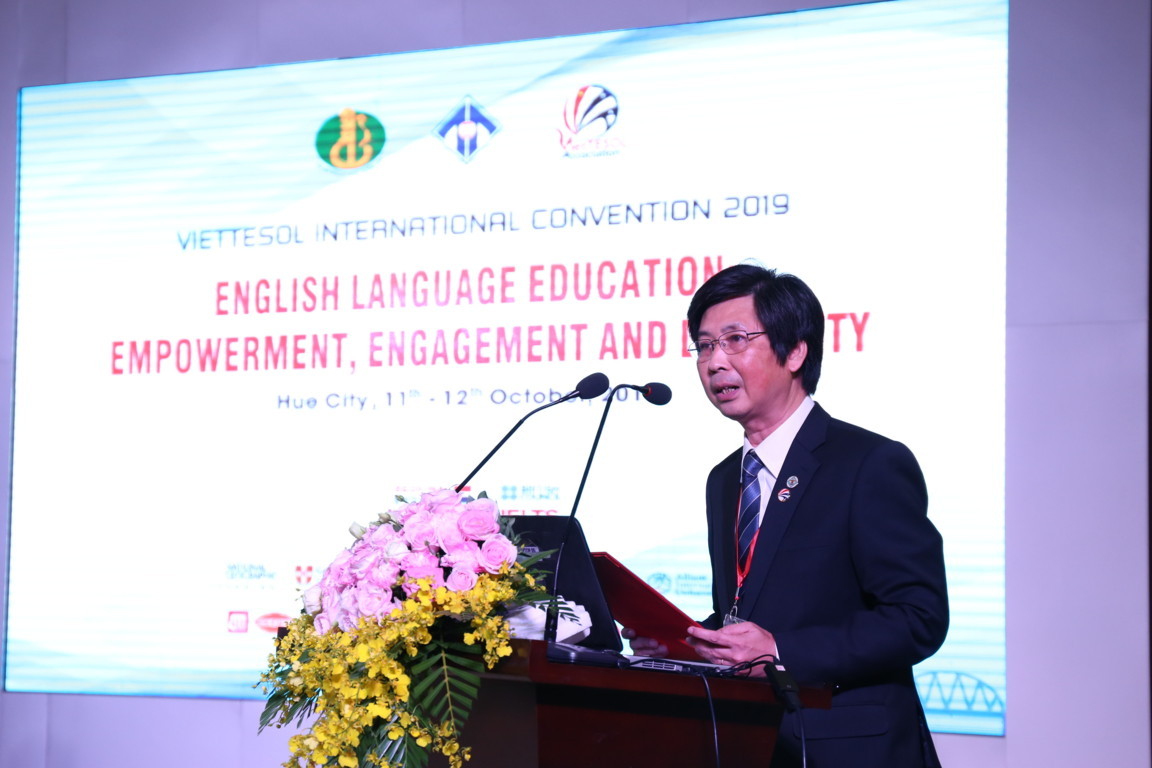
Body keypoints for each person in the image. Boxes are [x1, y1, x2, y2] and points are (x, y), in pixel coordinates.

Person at [625, 264, 948, 767]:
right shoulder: (724, 478)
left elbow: (918, 618)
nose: (714, 362)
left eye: (735, 340)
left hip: (848, 746)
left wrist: (781, 651)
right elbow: (746, 610)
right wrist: (682, 644)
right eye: (704, 346)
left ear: (795, 351)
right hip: (750, 741)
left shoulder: (868, 463)